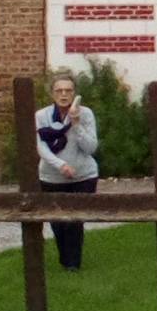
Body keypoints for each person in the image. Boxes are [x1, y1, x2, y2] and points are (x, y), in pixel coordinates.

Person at [31, 74, 99, 269]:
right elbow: (41, 148)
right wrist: (61, 165)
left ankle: (73, 265)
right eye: (59, 91)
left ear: (74, 93)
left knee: (74, 220)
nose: (64, 95)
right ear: (52, 94)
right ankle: (65, 258)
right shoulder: (41, 116)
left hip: (83, 176)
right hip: (52, 177)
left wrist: (76, 124)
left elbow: (90, 147)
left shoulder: (85, 114)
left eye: (68, 91)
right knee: (58, 222)